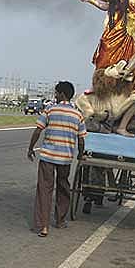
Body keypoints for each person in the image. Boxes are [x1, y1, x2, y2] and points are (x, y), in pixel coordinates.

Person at [27, 81, 86, 237]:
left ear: (62, 94)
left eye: (56, 93)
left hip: (48, 156)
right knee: (63, 187)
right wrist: (80, 154)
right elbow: (81, 139)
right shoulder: (77, 114)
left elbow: (38, 131)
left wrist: (31, 148)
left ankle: (43, 226)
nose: (55, 95)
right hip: (65, 158)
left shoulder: (50, 110)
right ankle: (60, 220)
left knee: (44, 189)